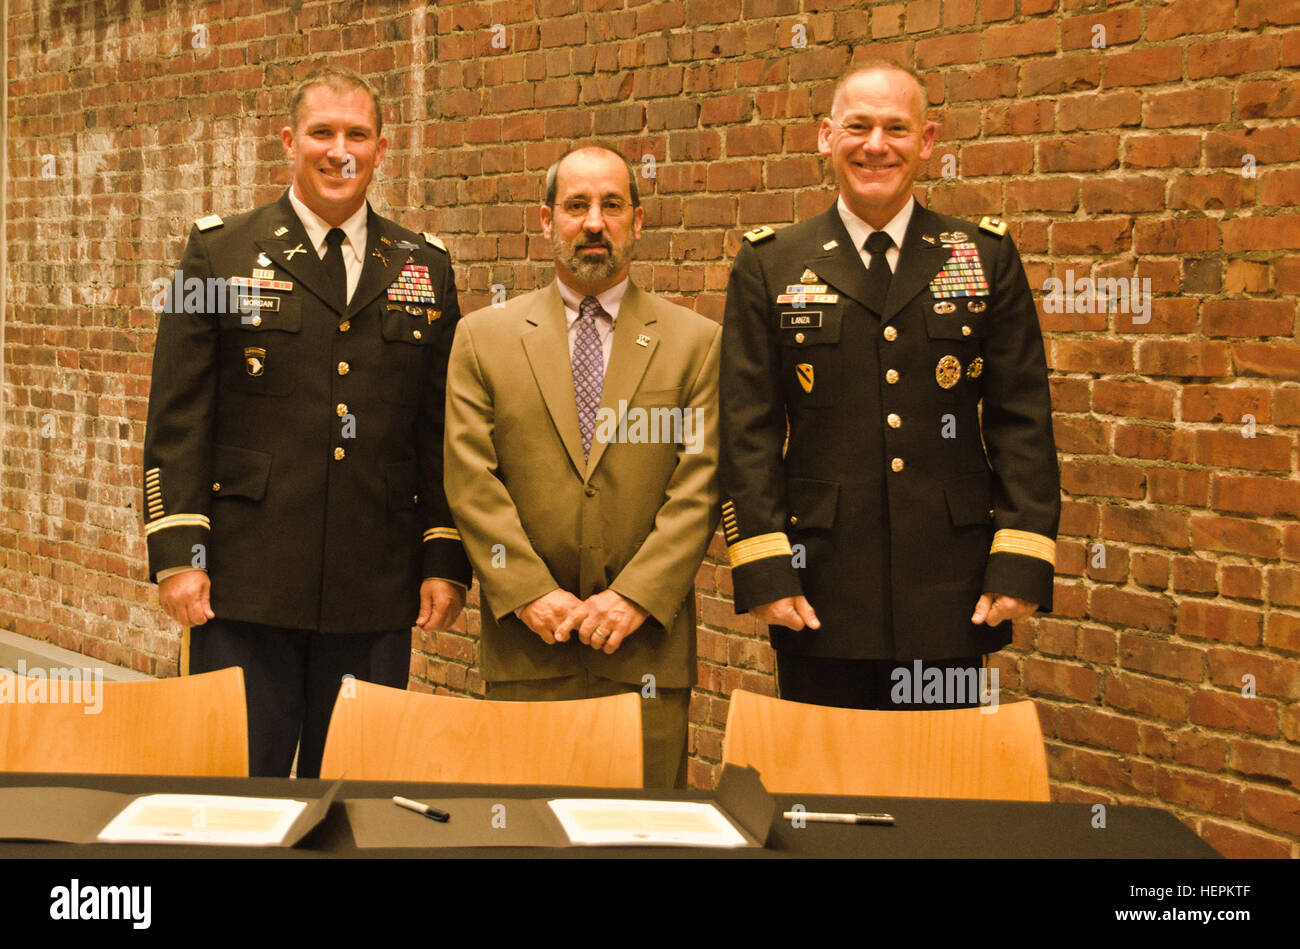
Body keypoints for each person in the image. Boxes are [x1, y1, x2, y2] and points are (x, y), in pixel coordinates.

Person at [143, 67, 469, 777]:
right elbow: (178, 415)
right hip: (243, 582)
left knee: (353, 800)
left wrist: (444, 558)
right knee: (235, 794)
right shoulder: (221, 251)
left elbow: (438, 430)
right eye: (322, 132)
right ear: (290, 141)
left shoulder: (425, 267)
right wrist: (177, 554)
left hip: (374, 587)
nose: (339, 150)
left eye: (357, 134)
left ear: (382, 148)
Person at [719, 61, 1060, 711]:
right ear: (825, 136)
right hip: (817, 586)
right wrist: (762, 566)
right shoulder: (773, 262)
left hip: (954, 587)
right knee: (822, 791)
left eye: (897, 128)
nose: (877, 145)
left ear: (927, 141)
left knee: (946, 792)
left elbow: (1021, 417)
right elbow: (747, 427)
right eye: (859, 126)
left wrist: (1021, 559)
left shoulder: (980, 255)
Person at [444, 145, 720, 787]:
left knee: (644, 838)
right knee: (525, 836)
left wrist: (634, 598)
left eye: (612, 205)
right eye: (576, 206)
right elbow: (469, 478)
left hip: (645, 652)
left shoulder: (695, 344)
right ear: (546, 222)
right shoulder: (483, 339)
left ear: (638, 221)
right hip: (527, 648)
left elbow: (700, 484)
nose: (594, 222)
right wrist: (529, 594)